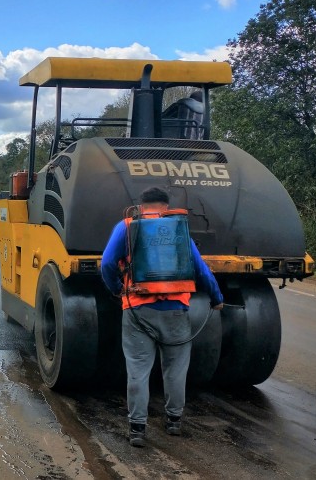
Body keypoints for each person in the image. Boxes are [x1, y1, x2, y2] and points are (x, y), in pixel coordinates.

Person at [100, 187, 223, 447]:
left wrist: (117, 290)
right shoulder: (178, 229)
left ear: (141, 206)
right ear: (166, 207)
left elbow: (108, 263)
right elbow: (200, 269)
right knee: (176, 370)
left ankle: (137, 429)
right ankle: (174, 421)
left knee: (138, 370)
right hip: (176, 311)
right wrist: (217, 298)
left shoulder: (128, 226)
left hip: (138, 310)